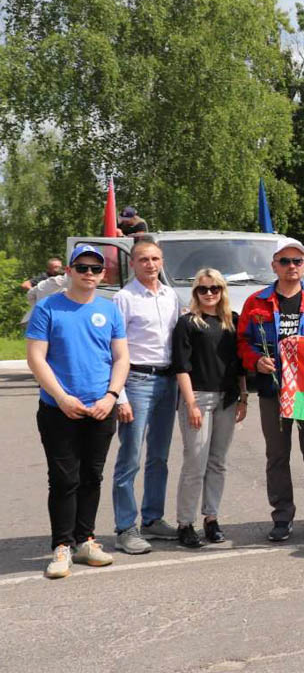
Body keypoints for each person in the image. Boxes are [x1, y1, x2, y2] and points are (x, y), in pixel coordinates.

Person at [26, 244, 129, 578]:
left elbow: (121, 358)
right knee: (63, 479)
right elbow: (36, 358)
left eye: (95, 269)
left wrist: (112, 396)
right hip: (59, 409)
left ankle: (85, 540)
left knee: (91, 476)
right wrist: (62, 397)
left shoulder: (110, 310)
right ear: (68, 271)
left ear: (103, 274)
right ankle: (62, 546)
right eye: (82, 268)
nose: (89, 274)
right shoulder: (48, 308)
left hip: (101, 408)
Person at [237, 237, 304, 542]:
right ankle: (282, 516)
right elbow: (243, 342)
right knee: (277, 456)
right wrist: (256, 361)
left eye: (297, 261)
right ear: (274, 266)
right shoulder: (256, 302)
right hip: (273, 389)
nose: (291, 267)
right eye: (285, 261)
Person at [111, 237, 182, 554]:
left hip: (167, 381)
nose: (150, 265)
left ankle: (153, 519)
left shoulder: (171, 296)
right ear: (133, 263)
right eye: (143, 260)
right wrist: (119, 396)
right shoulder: (124, 299)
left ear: (162, 261)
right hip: (136, 380)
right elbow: (114, 352)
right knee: (130, 459)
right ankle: (126, 527)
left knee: (159, 457)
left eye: (155, 259)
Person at [171, 269, 246, 547]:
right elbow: (181, 366)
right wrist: (190, 403)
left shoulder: (232, 322)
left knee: (218, 463)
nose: (209, 293)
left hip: (227, 399)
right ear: (196, 293)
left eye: (214, 288)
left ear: (222, 290)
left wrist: (243, 397)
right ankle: (185, 522)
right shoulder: (188, 323)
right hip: (198, 398)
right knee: (195, 463)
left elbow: (238, 364)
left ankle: (211, 518)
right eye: (203, 289)